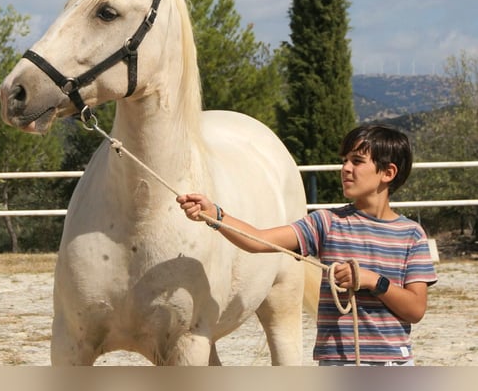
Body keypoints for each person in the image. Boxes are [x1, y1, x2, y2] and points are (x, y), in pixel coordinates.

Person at [176, 124, 437, 366]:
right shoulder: (326, 222)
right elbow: (259, 240)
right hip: (337, 362)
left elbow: (415, 309)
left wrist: (372, 281)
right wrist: (216, 216)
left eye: (357, 161)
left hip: (396, 365)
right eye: (344, 161)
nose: (346, 168)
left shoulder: (411, 235)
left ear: (388, 173)